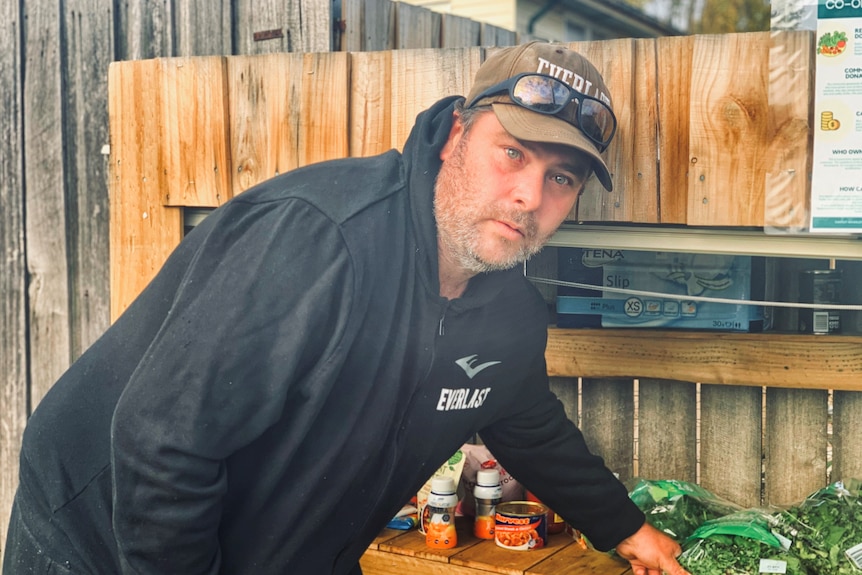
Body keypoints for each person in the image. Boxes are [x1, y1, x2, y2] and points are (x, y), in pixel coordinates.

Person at [3, 41, 688, 575]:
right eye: (511, 154)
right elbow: (162, 444)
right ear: (456, 135)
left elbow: (528, 425)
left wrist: (625, 527)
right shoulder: (321, 240)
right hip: (96, 531)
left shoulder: (505, 313)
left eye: (559, 178)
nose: (528, 196)